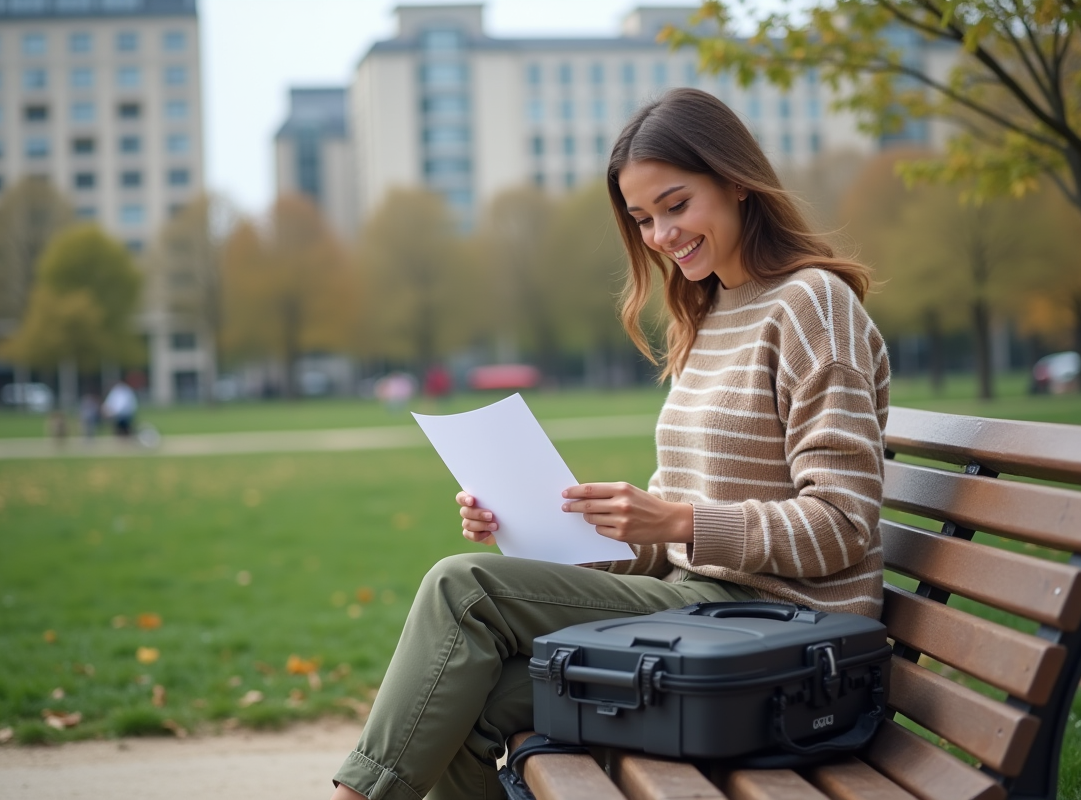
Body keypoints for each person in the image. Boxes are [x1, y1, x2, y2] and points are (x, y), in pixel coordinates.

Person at [331, 88, 890, 800]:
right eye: (643, 218)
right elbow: (671, 545)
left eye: (676, 205)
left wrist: (678, 520)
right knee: (457, 703)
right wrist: (542, 527)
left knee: (461, 588)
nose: (661, 235)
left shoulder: (812, 306)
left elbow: (841, 527)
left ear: (737, 183)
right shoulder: (709, 312)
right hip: (707, 615)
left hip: (784, 638)